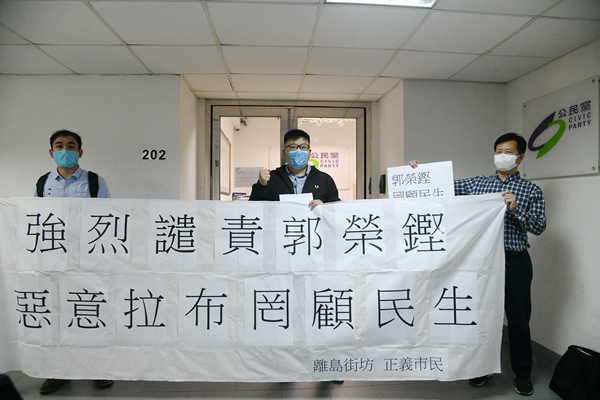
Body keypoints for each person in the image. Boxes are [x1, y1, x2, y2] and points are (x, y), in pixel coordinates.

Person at [409, 133, 546, 396]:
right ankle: (482, 368)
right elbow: (441, 187)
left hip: (515, 260)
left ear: (520, 157)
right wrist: (419, 172)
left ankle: (522, 373)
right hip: (481, 263)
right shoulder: (478, 184)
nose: (502, 156)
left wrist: (517, 209)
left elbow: (539, 226)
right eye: (498, 151)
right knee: (481, 317)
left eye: (508, 152)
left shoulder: (530, 190)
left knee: (518, 321)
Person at [34, 129, 113, 394]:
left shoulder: (94, 182)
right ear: (51, 152)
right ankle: (57, 371)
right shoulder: (42, 184)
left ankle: (98, 368)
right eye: (59, 146)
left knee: (91, 310)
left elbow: (106, 219)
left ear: (79, 152)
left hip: (88, 259)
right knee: (56, 315)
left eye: (70, 146)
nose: (64, 150)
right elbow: (34, 219)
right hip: (53, 260)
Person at [250, 129, 340, 208]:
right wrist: (261, 186)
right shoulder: (272, 178)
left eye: (303, 147)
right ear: (284, 153)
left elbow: (337, 210)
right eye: (293, 147)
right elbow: (253, 208)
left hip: (313, 223)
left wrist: (324, 207)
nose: (298, 151)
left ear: (309, 152)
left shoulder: (324, 180)